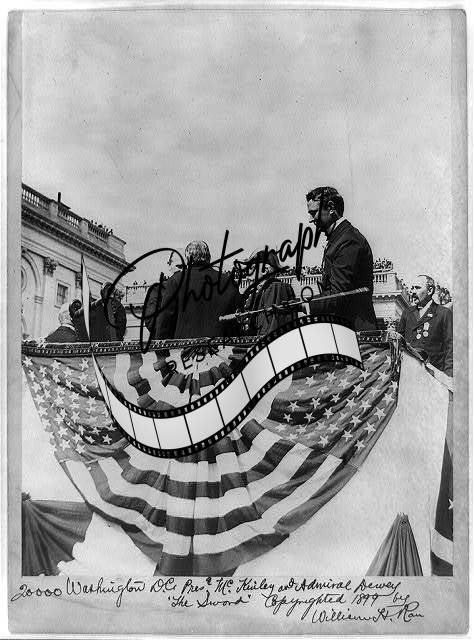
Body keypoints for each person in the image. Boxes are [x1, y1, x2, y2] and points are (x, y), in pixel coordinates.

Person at [305, 186, 377, 331]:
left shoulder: (348, 240)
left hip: (355, 334)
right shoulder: (340, 238)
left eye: (314, 213)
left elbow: (338, 294)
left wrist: (304, 305)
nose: (310, 220)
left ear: (331, 208)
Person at [150, 240, 241, 339]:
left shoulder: (175, 281)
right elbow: (237, 319)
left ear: (187, 258)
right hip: (221, 346)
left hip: (185, 346)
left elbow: (165, 322)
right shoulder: (228, 282)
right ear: (209, 257)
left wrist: (161, 345)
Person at [398, 274, 453, 376]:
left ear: (430, 290)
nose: (413, 292)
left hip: (434, 375)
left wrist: (449, 374)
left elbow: (451, 346)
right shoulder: (407, 313)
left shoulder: (444, 313)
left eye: (417, 288)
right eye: (412, 288)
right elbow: (399, 342)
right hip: (409, 373)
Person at [240, 249, 299, 336]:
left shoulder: (277, 288)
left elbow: (274, 327)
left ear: (265, 270)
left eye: (252, 268)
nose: (247, 275)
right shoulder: (257, 291)